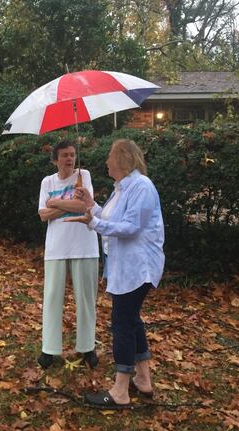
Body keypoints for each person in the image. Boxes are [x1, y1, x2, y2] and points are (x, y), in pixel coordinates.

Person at [66, 139, 164, 409]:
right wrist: (91, 204)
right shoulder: (122, 188)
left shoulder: (142, 186)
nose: (107, 161)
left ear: (123, 159)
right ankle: (143, 379)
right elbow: (111, 220)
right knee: (131, 319)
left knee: (122, 321)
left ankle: (120, 390)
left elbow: (131, 227)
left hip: (138, 266)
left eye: (110, 156)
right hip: (125, 266)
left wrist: (94, 222)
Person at [37, 140, 100, 369]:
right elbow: (43, 215)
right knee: (52, 297)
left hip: (84, 245)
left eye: (72, 154)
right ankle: (49, 349)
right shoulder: (48, 181)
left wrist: (55, 202)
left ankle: (87, 347)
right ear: (55, 159)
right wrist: (69, 203)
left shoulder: (84, 176)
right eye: (64, 155)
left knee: (85, 299)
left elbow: (86, 207)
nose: (70, 159)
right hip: (56, 248)